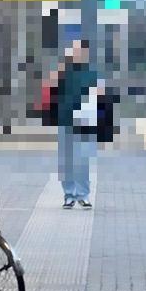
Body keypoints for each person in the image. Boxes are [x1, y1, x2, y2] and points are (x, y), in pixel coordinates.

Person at [48, 37, 105, 208]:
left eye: (81, 51)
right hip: (65, 120)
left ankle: (83, 194)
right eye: (74, 50)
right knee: (66, 159)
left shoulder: (92, 73)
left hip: (84, 121)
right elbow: (51, 87)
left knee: (81, 159)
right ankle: (69, 194)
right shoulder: (63, 71)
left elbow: (100, 94)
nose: (77, 53)